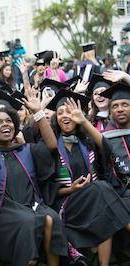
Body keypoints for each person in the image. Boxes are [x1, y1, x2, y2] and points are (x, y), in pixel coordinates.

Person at [0, 88, 68, 266]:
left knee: (51, 218)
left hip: (33, 205)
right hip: (3, 209)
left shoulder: (27, 150)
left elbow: (52, 146)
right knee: (27, 222)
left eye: (9, 121)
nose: (5, 125)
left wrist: (38, 112)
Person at [46, 89, 130, 266]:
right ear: (56, 119)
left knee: (103, 201)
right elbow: (47, 189)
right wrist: (72, 189)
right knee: (102, 189)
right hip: (67, 205)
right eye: (60, 113)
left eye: (69, 112)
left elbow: (108, 149)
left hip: (93, 200)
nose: (65, 116)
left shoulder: (87, 143)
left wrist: (83, 121)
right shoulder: (50, 147)